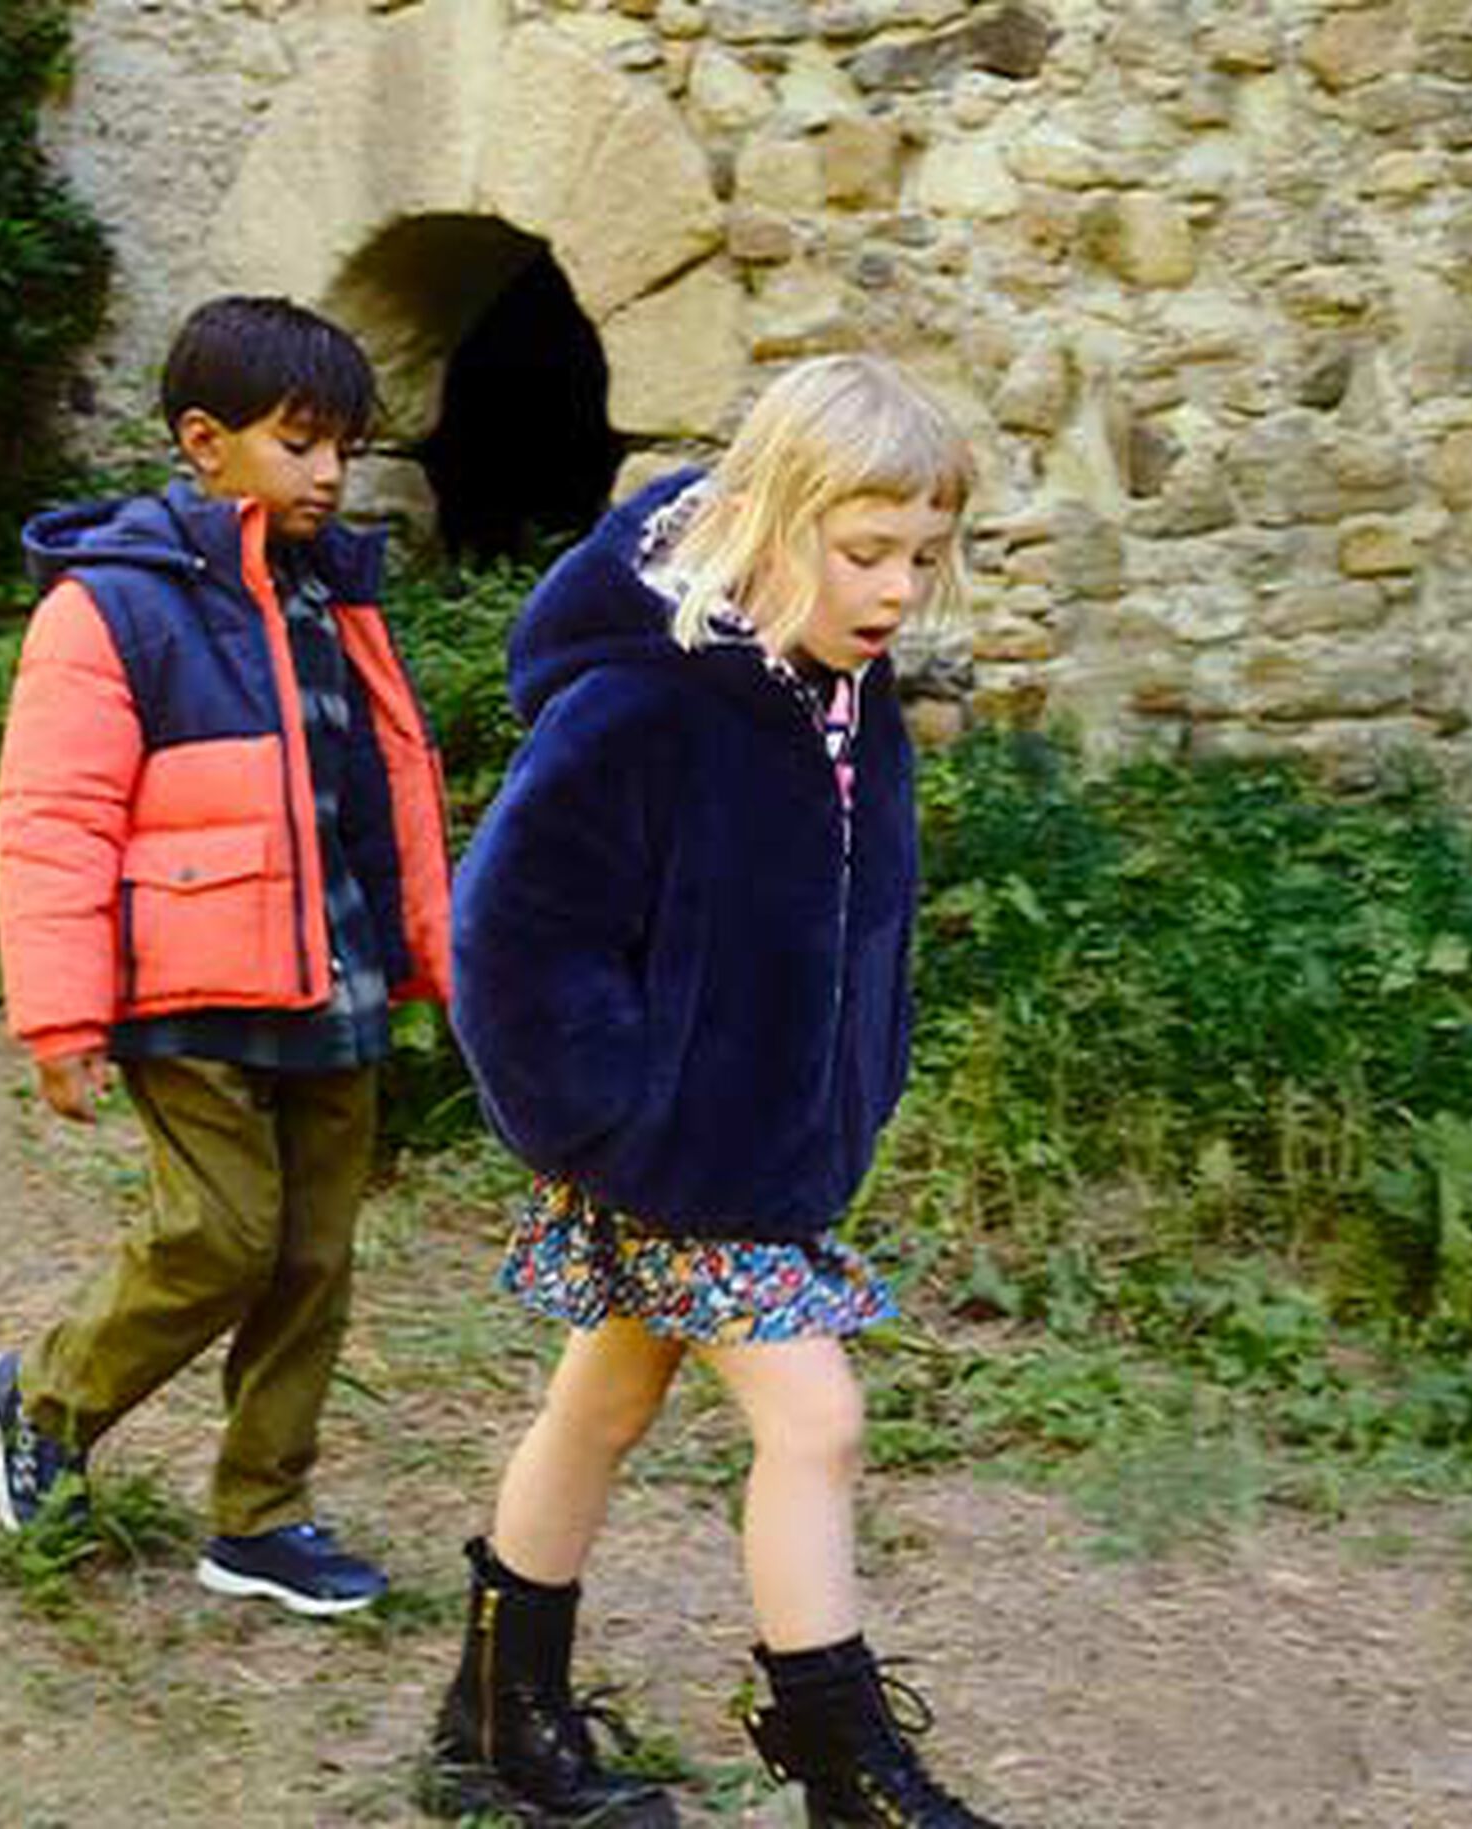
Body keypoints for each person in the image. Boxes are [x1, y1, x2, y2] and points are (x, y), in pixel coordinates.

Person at [423, 355, 1001, 1828]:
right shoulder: (652, 698)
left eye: (921, 559)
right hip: (678, 1152)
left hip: (759, 1146)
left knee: (604, 1399)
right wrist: (626, 1115)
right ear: (769, 517)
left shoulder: (838, 688)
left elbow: (847, 914)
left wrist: (850, 1080)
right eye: (863, 551)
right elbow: (505, 931)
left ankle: (495, 1714)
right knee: (818, 1420)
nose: (892, 590)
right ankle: (848, 1775)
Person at [0, 295, 452, 1617]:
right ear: (203, 441)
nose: (329, 472)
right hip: (182, 987)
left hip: (335, 974)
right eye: (298, 443)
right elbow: (55, 816)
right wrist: (61, 1014)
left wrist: (429, 952)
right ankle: (47, 1397)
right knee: (221, 1234)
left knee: (311, 1258)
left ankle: (263, 1515)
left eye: (344, 447)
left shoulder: (337, 594)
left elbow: (385, 783)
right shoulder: (111, 607)